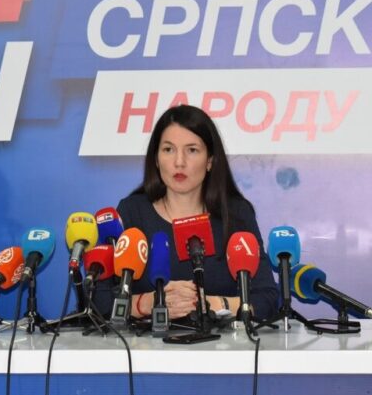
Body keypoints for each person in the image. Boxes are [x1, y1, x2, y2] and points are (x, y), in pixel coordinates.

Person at [116, 104, 277, 322]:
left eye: (192, 150)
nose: (179, 162)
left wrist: (211, 304)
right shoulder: (132, 212)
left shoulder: (236, 214)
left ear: (210, 160)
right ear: (156, 159)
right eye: (168, 150)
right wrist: (145, 303)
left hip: (221, 343)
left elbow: (267, 299)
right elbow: (98, 298)